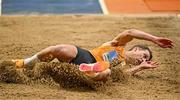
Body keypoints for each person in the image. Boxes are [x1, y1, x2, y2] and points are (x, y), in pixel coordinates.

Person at [12, 29, 173, 81]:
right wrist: (154, 39)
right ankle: (24, 63)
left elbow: (122, 76)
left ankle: (90, 70)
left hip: (95, 74)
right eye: (144, 55)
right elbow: (130, 32)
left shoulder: (124, 65)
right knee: (59, 49)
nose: (142, 59)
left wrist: (140, 68)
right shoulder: (118, 45)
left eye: (145, 60)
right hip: (86, 56)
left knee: (108, 72)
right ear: (136, 49)